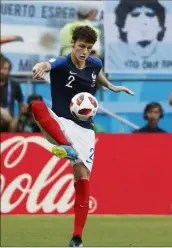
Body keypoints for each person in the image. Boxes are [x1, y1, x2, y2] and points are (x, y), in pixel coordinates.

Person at [31, 25, 134, 247]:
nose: (84, 51)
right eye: (80, 46)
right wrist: (39, 68)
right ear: (73, 44)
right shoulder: (62, 62)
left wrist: (112, 87)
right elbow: (47, 64)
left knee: (83, 179)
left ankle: (77, 237)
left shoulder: (95, 63)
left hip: (84, 130)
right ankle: (65, 146)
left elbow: (98, 75)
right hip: (58, 123)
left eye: (88, 48)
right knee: (37, 106)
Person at [0, 55, 24, 132]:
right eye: (0, 68)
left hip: (9, 121)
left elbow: (21, 105)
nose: (2, 71)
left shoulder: (14, 85)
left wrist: (17, 119)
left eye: (5, 69)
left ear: (9, 71)